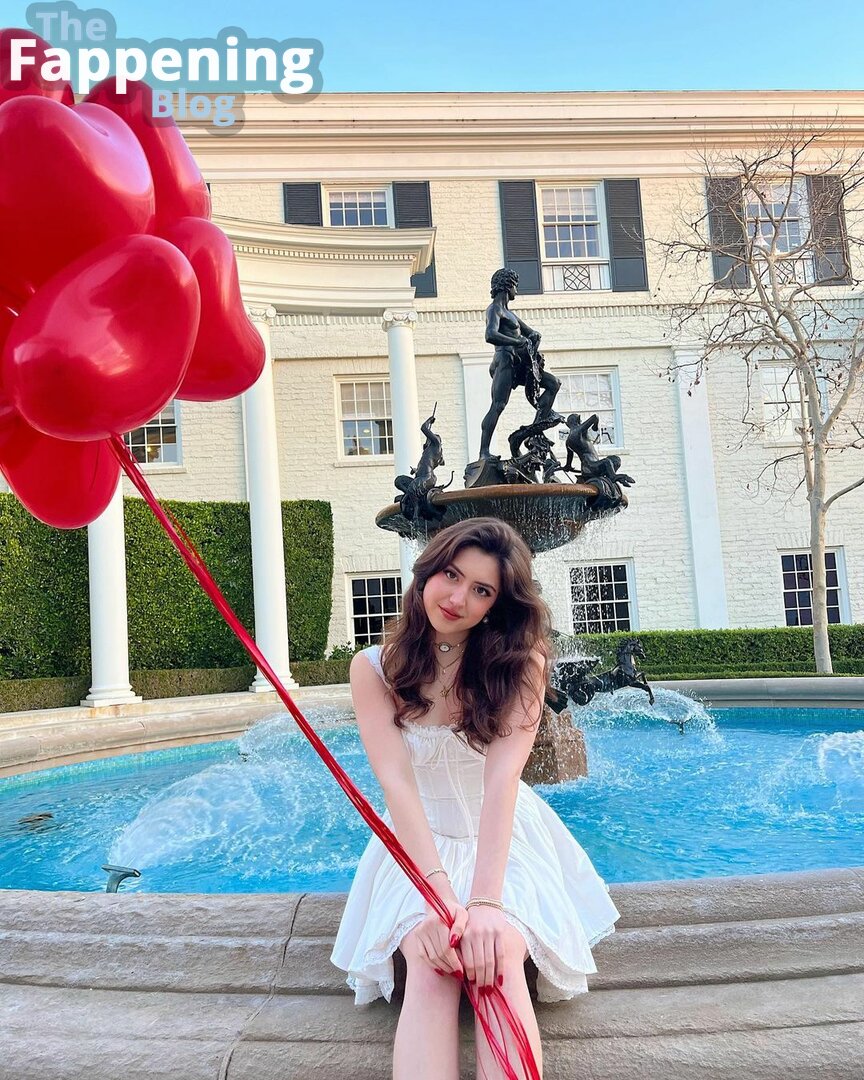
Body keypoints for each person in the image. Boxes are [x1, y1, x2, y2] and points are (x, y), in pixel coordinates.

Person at [331, 518, 620, 1079]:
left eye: (482, 590)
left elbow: (501, 781)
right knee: (431, 956)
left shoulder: (521, 665)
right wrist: (439, 899)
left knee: (499, 953)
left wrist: (486, 905)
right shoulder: (373, 669)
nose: (458, 598)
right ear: (428, 572)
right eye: (451, 575)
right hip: (415, 847)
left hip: (504, 840)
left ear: (497, 605)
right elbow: (397, 784)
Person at [478, 268, 563, 460]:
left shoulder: (510, 314)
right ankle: (483, 452)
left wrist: (534, 336)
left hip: (520, 363)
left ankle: (534, 431)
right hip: (505, 360)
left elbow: (529, 332)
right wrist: (517, 342)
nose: (516, 290)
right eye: (515, 286)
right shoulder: (494, 309)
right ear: (507, 286)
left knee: (553, 383)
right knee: (498, 405)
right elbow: (490, 335)